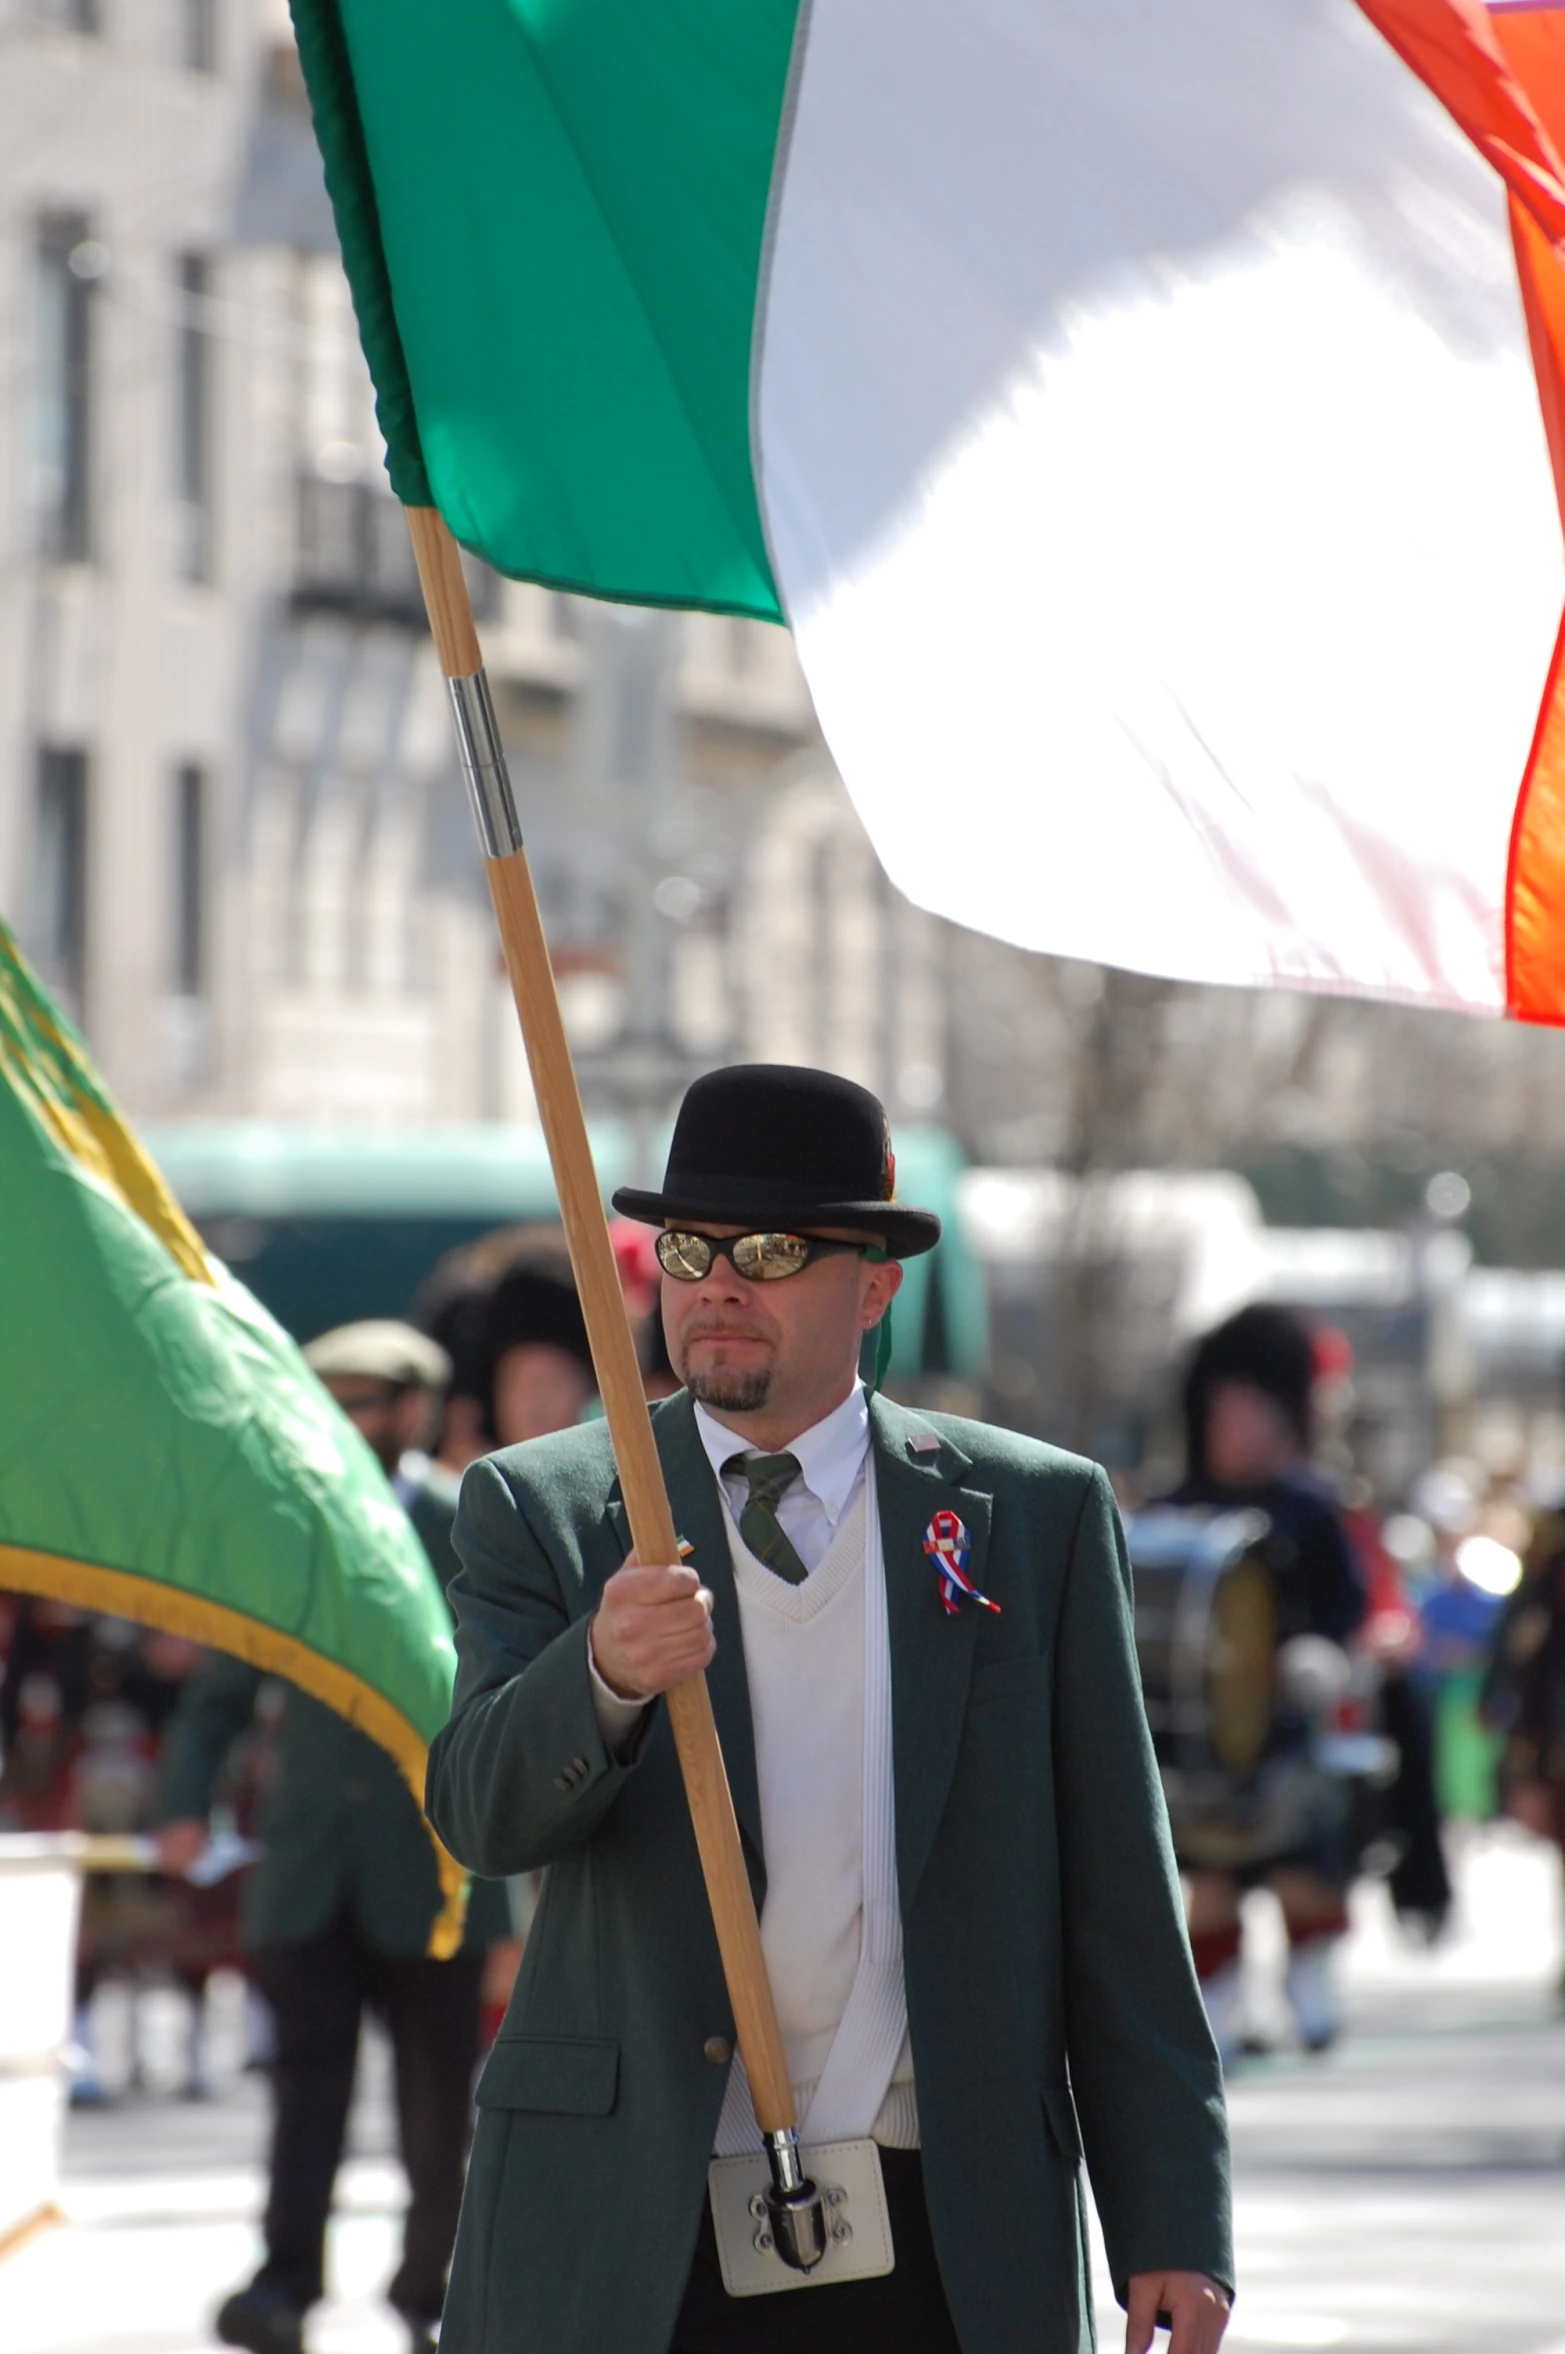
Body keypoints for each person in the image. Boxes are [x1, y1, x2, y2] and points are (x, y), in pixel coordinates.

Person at [427, 1064, 1233, 2354]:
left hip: (940, 2220)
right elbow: (477, 1811)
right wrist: (602, 1677)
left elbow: (1117, 1899)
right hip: (634, 2227)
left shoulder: (1033, 1515)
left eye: (773, 1247)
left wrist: (1173, 2217)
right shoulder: (550, 1508)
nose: (719, 1283)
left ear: (873, 1285)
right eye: (691, 1247)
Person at [156, 1321, 510, 2354]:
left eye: (364, 1401)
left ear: (415, 1411)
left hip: (440, 1866)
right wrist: (188, 1802)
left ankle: (432, 2282)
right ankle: (284, 2279)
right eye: (329, 1400)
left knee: (439, 2102)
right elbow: (221, 1693)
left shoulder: (470, 1522)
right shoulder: (289, 1530)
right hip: (309, 1869)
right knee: (303, 2089)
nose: (343, 1423)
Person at [1158, 1307, 1368, 2059]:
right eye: (1222, 1408)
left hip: (1284, 1722)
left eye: (1249, 1409)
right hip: (1199, 1737)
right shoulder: (1176, 1510)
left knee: (1299, 1872)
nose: (1233, 1423)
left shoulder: (1310, 1509)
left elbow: (1348, 1605)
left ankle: (1308, 1981)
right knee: (1208, 1879)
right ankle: (1219, 2000)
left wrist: (1319, 1656)